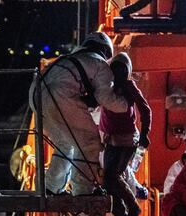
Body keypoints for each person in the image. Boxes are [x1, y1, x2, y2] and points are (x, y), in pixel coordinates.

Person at [29, 32, 129, 196]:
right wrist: (126, 104)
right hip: (60, 95)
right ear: (106, 51)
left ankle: (50, 187)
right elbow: (105, 98)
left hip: (36, 94)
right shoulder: (99, 63)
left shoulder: (68, 59)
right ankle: (83, 191)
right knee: (89, 142)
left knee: (65, 143)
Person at [99, 52, 152, 216]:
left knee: (112, 176)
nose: (118, 72)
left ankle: (133, 209)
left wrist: (145, 133)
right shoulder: (106, 87)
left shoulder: (129, 87)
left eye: (122, 69)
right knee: (108, 181)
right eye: (115, 69)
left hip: (128, 140)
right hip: (111, 139)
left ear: (127, 71)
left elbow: (145, 109)